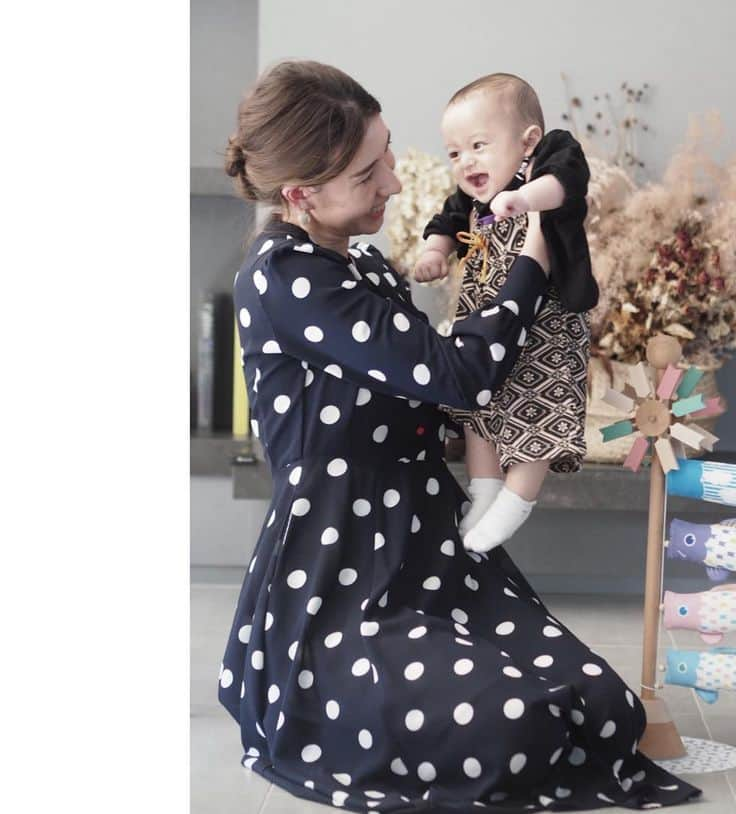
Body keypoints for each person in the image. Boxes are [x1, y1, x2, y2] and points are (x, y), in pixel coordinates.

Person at [218, 59, 702, 813]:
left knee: (602, 706)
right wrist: (530, 272)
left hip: (428, 547)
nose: (393, 184)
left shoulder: (363, 266)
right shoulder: (284, 277)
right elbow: (459, 376)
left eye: (387, 155)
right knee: (513, 725)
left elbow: (431, 392)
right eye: (369, 172)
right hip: (345, 576)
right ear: (300, 194)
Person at [414, 73, 598, 555]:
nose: (466, 161)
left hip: (546, 329)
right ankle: (485, 492)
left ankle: (514, 504)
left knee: (537, 414)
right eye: (454, 153)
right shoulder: (471, 199)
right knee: (478, 411)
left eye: (478, 145)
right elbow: (447, 222)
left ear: (527, 141)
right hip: (486, 326)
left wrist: (524, 199)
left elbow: (568, 184)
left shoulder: (549, 158)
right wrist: (436, 251)